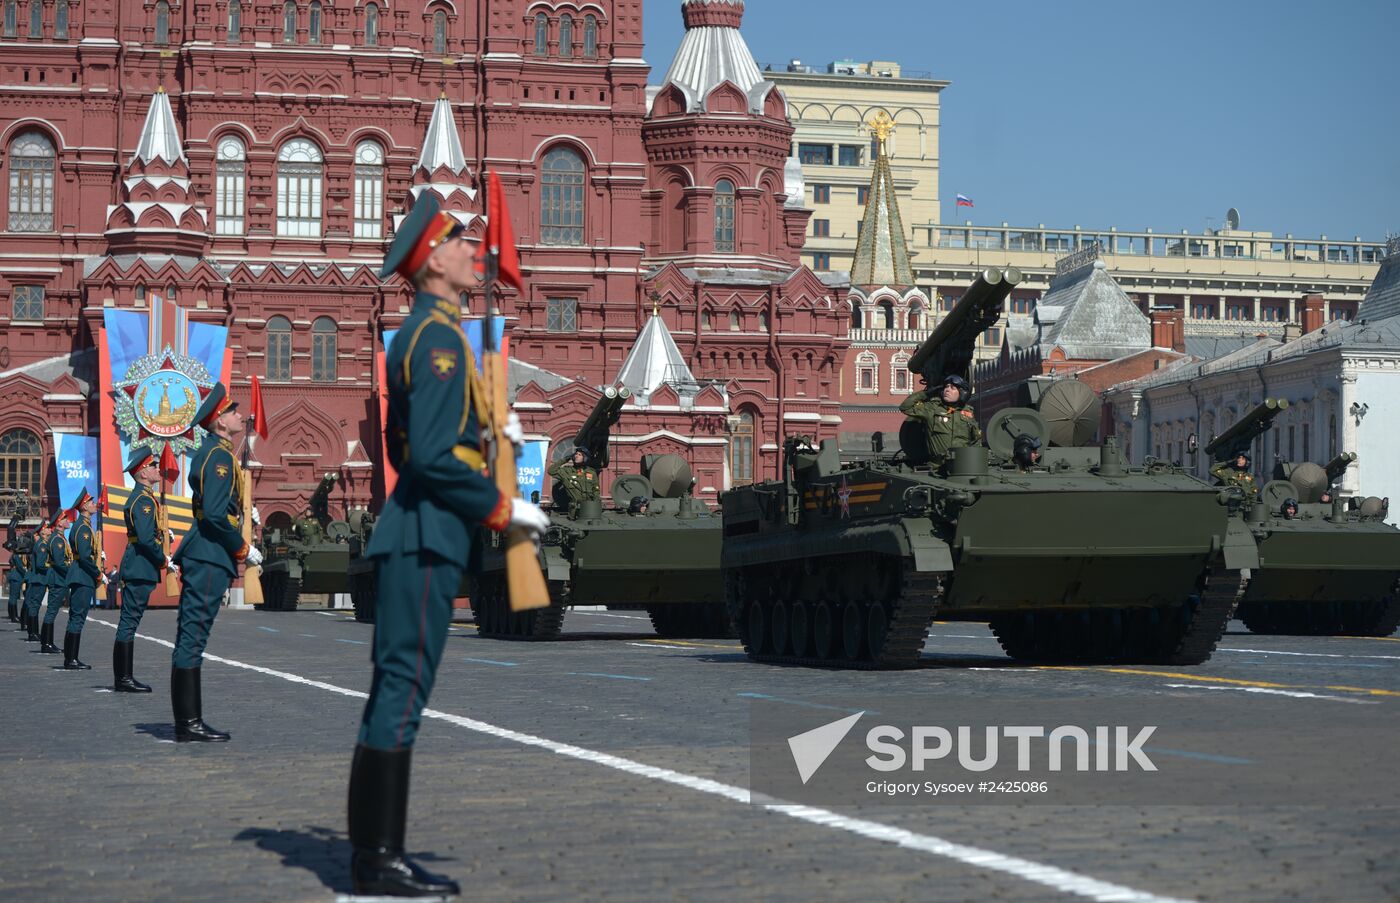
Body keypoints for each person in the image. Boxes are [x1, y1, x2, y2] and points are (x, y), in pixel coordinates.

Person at [351, 193, 550, 897]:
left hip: (423, 532)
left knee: (397, 687)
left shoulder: (435, 335)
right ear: (432, 260)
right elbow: (432, 458)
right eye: (461, 242)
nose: (475, 251)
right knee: (402, 690)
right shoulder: (435, 341)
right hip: (426, 534)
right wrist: (505, 508)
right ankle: (377, 860)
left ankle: (376, 851)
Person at [170, 383, 263, 741]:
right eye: (233, 410)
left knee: (189, 636)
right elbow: (212, 514)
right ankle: (189, 723)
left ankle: (187, 721)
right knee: (193, 637)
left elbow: (216, 506)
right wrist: (242, 548)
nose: (241, 415)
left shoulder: (213, 452)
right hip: (209, 555)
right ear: (219, 422)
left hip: (205, 552)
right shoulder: (220, 456)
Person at [115, 447, 164, 692]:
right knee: (129, 622)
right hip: (139, 565)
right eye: (153, 465)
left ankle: (124, 677)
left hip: (138, 564)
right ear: (143, 472)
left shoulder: (143, 497)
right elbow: (145, 539)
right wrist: (162, 558)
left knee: (129, 621)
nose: (158, 469)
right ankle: (124, 679)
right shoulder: (143, 500)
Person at [899, 374, 983, 467]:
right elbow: (905, 407)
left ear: (962, 393)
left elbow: (976, 440)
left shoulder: (967, 413)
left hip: (961, 468)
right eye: (946, 387)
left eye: (952, 388)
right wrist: (925, 393)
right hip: (937, 468)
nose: (947, 390)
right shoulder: (932, 408)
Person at [61, 489, 102, 670]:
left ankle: (70, 658)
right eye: (91, 502)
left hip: (80, 574)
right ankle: (71, 659)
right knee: (78, 617)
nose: (94, 505)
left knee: (75, 617)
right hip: (82, 575)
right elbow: (85, 557)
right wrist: (98, 573)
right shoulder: (83, 527)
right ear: (84, 506)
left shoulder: (82, 525)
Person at [40, 509, 72, 655]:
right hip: (58, 578)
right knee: (52, 611)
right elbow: (59, 562)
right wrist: (71, 573)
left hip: (58, 578)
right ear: (59, 522)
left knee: (52, 611)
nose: (68, 521)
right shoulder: (57, 540)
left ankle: (47, 642)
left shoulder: (59, 538)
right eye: (65, 519)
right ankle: (46, 643)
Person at [22, 518, 51, 642]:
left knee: (34, 606)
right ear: (43, 532)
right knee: (35, 606)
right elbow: (40, 564)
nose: (50, 530)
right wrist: (52, 567)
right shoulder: (42, 546)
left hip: (37, 579)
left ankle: (33, 632)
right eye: (48, 528)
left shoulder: (40, 544)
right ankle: (33, 633)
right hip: (39, 579)